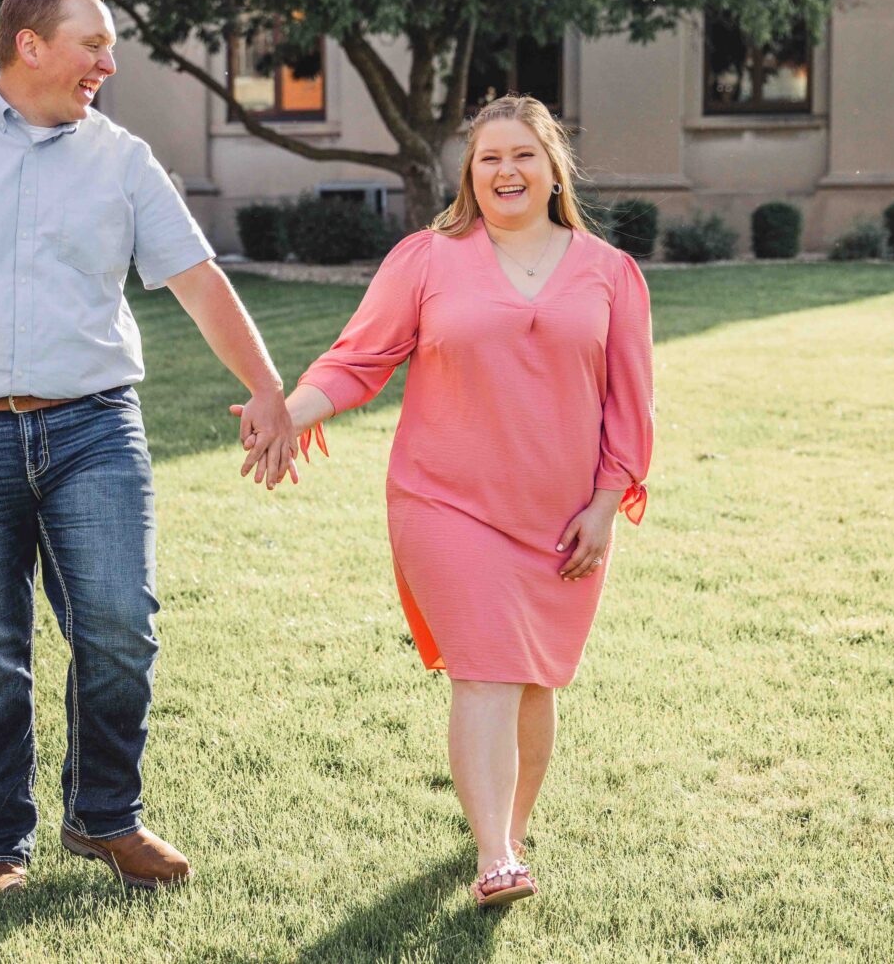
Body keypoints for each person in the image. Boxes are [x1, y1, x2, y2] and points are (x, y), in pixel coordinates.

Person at [0, 0, 299, 894]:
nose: (109, 64)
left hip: (92, 427)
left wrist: (268, 387)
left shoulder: (122, 157)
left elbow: (198, 279)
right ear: (30, 45)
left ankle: (105, 817)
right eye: (94, 44)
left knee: (121, 627)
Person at [253, 95, 653, 907]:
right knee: (486, 670)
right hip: (445, 502)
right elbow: (359, 359)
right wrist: (290, 413)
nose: (506, 170)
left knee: (534, 681)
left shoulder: (610, 272)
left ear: (554, 170)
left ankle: (509, 830)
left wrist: (607, 504)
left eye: (523, 155)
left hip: (561, 517)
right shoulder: (427, 259)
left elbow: (630, 402)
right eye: (488, 157)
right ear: (470, 175)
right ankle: (496, 854)